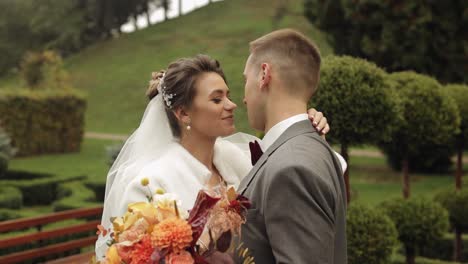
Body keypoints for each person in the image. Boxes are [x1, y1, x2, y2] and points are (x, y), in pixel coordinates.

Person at [95, 54, 342, 260]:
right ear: (183, 113)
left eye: (228, 95)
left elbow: (302, 169)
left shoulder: (241, 159)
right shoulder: (149, 184)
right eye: (217, 99)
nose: (232, 105)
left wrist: (307, 124)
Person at [236, 29, 348, 263]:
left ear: (264, 74)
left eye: (246, 79)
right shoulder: (309, 148)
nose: (244, 98)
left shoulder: (292, 166)